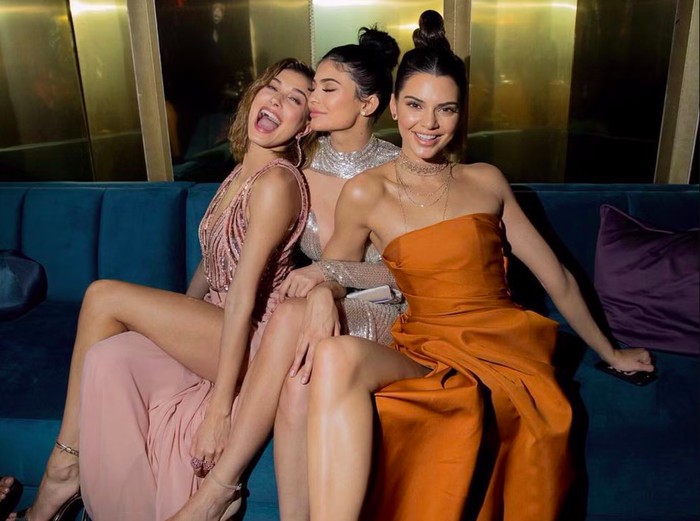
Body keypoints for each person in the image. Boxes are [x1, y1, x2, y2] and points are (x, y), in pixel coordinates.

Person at [304, 10, 655, 521]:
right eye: (415, 105)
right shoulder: (365, 192)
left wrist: (611, 351)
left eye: (445, 109)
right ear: (394, 107)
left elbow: (556, 277)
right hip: (426, 346)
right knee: (335, 355)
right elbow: (338, 271)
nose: (429, 124)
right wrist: (320, 289)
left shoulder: (486, 181)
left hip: (502, 345)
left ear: (460, 113)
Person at [8, 57, 315, 521]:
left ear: (304, 126)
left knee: (102, 297)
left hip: (255, 335)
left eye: (294, 99)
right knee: (109, 358)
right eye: (272, 87)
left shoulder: (276, 182)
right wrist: (176, 322)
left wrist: (220, 409)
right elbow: (213, 263)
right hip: (216, 321)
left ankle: (64, 467)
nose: (276, 100)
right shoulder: (240, 173)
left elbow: (241, 297)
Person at [165, 26, 403, 521]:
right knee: (297, 377)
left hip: (386, 306)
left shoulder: (397, 168)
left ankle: (218, 490)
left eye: (326, 89)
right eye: (312, 90)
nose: (312, 99)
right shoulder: (299, 168)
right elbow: (236, 248)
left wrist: (322, 280)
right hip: (316, 305)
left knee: (296, 326)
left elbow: (408, 276)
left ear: (367, 104)